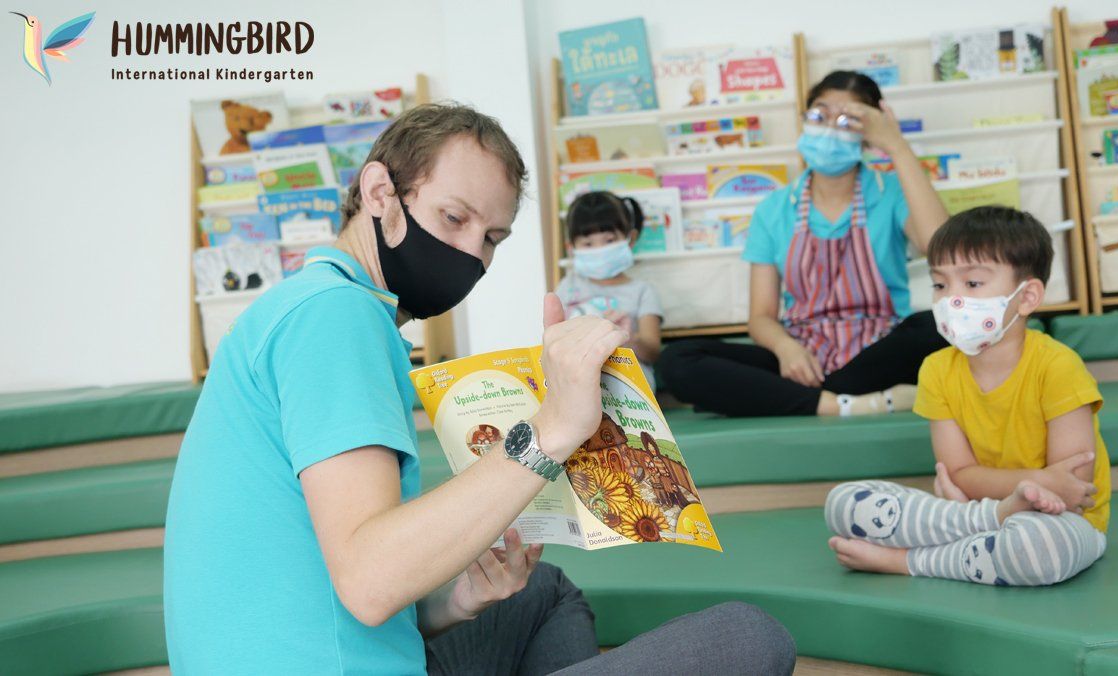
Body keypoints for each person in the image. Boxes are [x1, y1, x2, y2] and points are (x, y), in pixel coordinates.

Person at [163, 103, 794, 675]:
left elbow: (341, 583)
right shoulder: (336, 314)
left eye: (491, 238)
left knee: (542, 589)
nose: (471, 254)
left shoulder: (313, 304)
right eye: (454, 217)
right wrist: (553, 427)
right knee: (749, 638)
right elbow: (370, 580)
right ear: (380, 191)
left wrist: (458, 601)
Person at [825, 206, 1110, 587]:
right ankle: (977, 533)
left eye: (972, 284)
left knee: (1035, 548)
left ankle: (907, 561)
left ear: (1027, 298)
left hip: (1061, 523)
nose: (951, 299)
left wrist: (998, 496)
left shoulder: (1058, 366)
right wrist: (1010, 499)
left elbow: (1071, 487)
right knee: (844, 504)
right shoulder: (937, 369)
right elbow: (959, 474)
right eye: (940, 285)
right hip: (974, 514)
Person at [656, 71, 950, 417]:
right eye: (819, 115)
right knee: (676, 360)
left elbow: (942, 251)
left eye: (848, 119)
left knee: (939, 326)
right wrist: (786, 349)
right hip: (803, 355)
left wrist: (897, 146)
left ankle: (798, 399)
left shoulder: (892, 192)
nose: (829, 128)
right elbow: (762, 317)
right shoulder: (774, 209)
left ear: (870, 132)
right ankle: (844, 402)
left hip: (878, 351)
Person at [555, 190, 663, 389]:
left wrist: (624, 338)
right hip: (577, 378)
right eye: (588, 243)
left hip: (628, 380)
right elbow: (554, 339)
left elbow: (652, 351)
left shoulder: (643, 291)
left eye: (609, 240)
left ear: (630, 239)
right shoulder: (567, 286)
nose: (599, 249)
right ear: (571, 248)